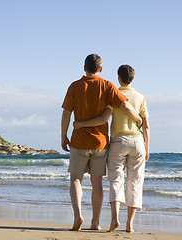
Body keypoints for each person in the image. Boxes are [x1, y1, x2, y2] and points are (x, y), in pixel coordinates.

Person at [61, 55, 142, 231]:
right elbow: (125, 106)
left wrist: (63, 136)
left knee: (75, 179)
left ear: (84, 68)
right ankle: (95, 222)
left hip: (79, 141)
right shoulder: (107, 86)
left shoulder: (74, 86)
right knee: (96, 183)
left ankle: (77, 216)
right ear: (101, 69)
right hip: (100, 143)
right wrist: (138, 120)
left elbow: (66, 114)